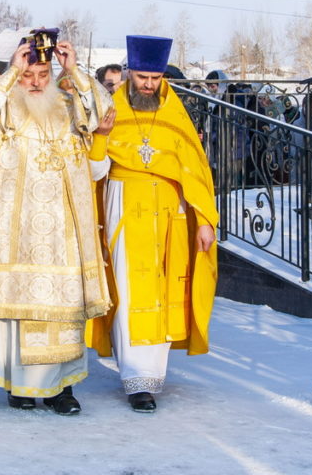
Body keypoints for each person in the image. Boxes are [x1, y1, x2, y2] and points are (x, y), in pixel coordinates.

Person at [0, 34, 113, 415]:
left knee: (65, 310)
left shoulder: (69, 103)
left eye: (42, 72)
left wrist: (74, 70)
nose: (35, 81)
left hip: (64, 230)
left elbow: (105, 114)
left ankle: (62, 388)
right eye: (28, 73)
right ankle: (20, 385)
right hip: (17, 229)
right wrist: (10, 71)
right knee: (20, 308)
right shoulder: (3, 107)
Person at [88, 35, 219, 414]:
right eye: (142, 76)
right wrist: (100, 137)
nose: (148, 84)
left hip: (170, 213)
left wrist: (205, 221)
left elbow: (196, 171)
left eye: (155, 78)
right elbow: (95, 170)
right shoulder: (109, 110)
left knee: (162, 289)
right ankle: (135, 380)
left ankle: (153, 376)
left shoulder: (176, 115)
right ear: (129, 73)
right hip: (124, 206)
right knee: (129, 290)